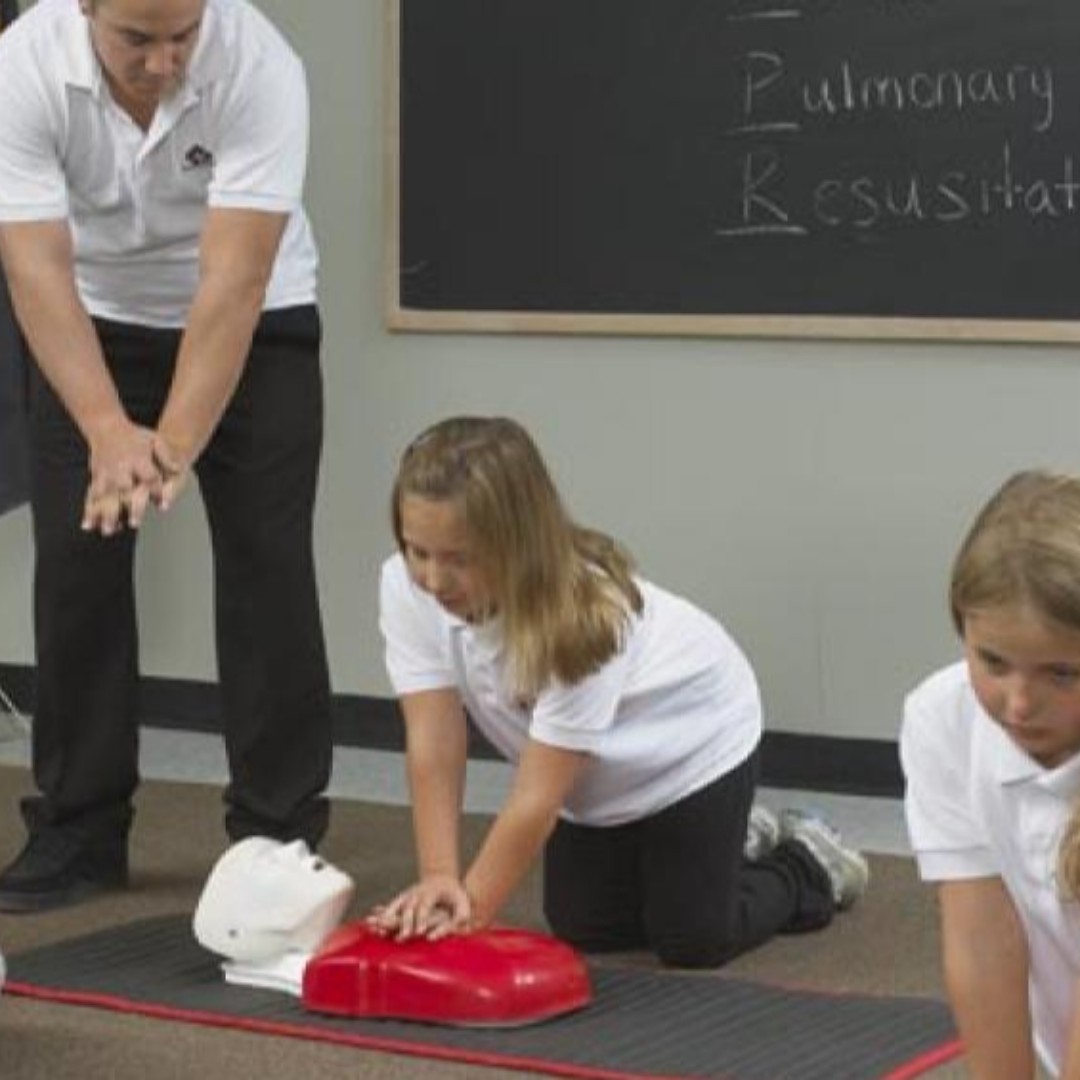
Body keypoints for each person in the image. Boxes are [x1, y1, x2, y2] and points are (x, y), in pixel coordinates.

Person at [0, 0, 333, 913]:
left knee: (267, 565)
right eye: (136, 41)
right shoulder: (21, 67)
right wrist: (108, 431)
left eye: (182, 38)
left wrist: (172, 445)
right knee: (78, 571)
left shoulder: (261, 64)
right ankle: (78, 828)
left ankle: (278, 834)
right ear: (84, 9)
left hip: (254, 326)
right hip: (90, 322)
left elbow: (235, 278)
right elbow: (33, 267)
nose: (163, 62)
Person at [370, 416, 868, 968]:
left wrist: (465, 920)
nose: (434, 580)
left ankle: (808, 861)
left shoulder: (584, 615)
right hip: (597, 777)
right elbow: (434, 736)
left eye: (459, 559)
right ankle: (738, 841)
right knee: (585, 926)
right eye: (419, 551)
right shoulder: (403, 586)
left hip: (693, 749)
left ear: (516, 543)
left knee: (694, 940)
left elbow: (538, 797)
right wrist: (440, 876)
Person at [901, 469, 1080, 1079]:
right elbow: (982, 942)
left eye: (1062, 674)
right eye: (993, 661)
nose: (1019, 704)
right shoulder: (942, 717)